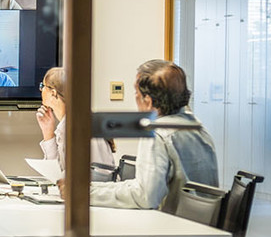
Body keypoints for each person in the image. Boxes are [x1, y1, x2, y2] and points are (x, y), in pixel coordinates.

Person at [90, 60, 219, 212]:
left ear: (148, 101)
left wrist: (87, 194)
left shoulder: (157, 134)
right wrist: (91, 189)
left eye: (136, 93)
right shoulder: (198, 128)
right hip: (201, 229)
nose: (135, 98)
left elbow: (145, 197)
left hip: (171, 230)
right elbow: (143, 187)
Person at [36, 67, 116, 172]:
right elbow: (56, 171)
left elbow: (98, 176)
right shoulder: (69, 124)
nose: (40, 90)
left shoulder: (78, 128)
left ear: (53, 93)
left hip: (95, 187)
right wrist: (48, 133)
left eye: (43, 86)